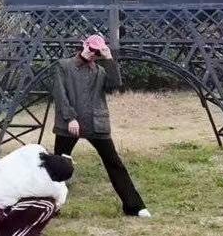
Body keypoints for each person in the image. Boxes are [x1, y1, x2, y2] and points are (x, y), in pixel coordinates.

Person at [51, 34, 151, 218]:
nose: (92, 53)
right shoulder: (63, 66)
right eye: (91, 49)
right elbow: (60, 94)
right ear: (84, 45)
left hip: (96, 123)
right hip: (70, 124)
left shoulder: (100, 71)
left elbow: (114, 86)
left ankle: (134, 207)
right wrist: (70, 118)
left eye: (97, 51)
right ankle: (48, 206)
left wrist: (109, 59)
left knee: (114, 163)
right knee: (57, 166)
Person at [0, 143, 74, 236]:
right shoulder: (47, 184)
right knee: (49, 206)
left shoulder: (33, 149)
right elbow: (60, 199)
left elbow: (41, 150)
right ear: (57, 179)